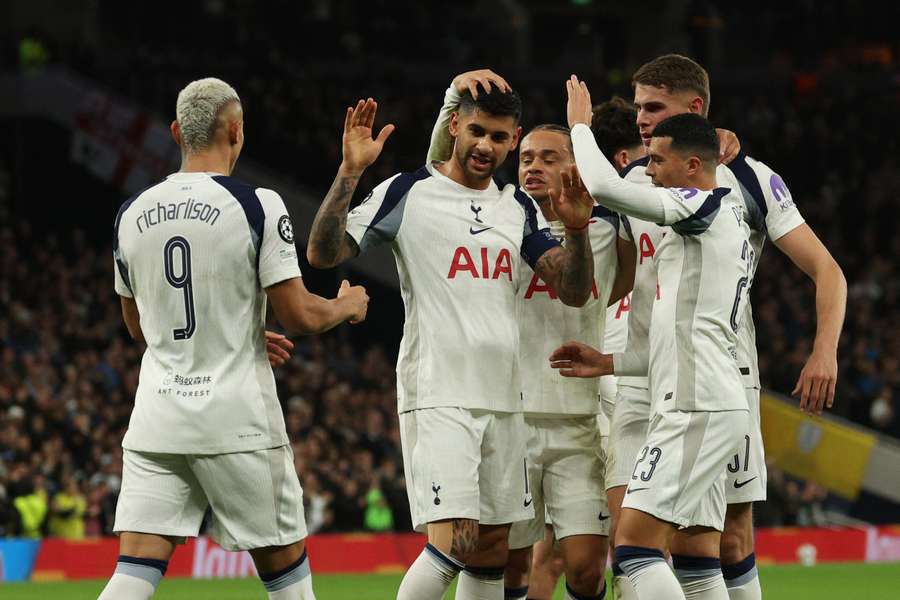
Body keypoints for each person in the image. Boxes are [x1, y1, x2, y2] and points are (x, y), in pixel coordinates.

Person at [306, 80, 597, 600]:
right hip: (441, 394)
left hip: (506, 403)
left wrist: (576, 232)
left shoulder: (518, 208)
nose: (487, 146)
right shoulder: (409, 191)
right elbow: (325, 252)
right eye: (478, 131)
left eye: (501, 137)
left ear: (514, 139)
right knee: (453, 545)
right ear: (456, 126)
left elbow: (572, 291)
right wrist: (350, 171)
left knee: (489, 551)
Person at [100, 77, 369, 600]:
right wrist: (346, 304)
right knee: (288, 580)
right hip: (236, 420)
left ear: (178, 132)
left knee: (132, 573)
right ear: (236, 130)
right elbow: (299, 316)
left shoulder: (129, 214)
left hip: (157, 421)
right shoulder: (256, 204)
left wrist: (231, 327)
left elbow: (139, 328)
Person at [610, 54, 847, 600]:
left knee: (725, 539)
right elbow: (616, 280)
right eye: (639, 106)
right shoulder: (630, 179)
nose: (641, 119)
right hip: (641, 376)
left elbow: (826, 270)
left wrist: (824, 351)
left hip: (719, 373)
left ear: (694, 109)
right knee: (634, 538)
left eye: (654, 107)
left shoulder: (749, 177)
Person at [423, 71, 634, 600]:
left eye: (548, 157)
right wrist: (452, 96)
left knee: (585, 568)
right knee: (509, 565)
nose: (533, 166)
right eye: (527, 158)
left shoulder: (608, 227)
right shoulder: (495, 217)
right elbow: (437, 171)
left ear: (575, 166)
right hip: (509, 417)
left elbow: (651, 199)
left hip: (577, 423)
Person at [555, 75, 754, 599]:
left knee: (637, 551)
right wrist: (609, 362)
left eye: (658, 162)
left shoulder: (702, 206)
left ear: (693, 167)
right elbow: (673, 339)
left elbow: (603, 186)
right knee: (679, 551)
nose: (649, 171)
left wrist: (580, 126)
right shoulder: (700, 234)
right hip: (693, 401)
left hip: (696, 405)